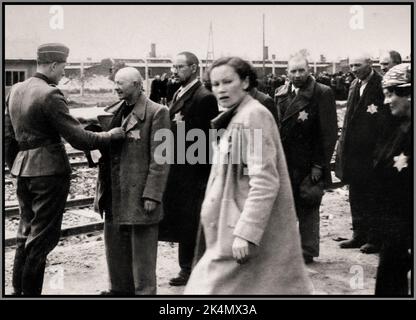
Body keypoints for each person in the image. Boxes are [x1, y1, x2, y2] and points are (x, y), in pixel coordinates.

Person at [4, 43, 125, 296]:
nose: (63, 73)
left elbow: (8, 137)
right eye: (63, 67)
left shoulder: (15, 90)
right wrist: (110, 135)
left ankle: (17, 292)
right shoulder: (51, 94)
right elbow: (79, 140)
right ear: (54, 65)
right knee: (41, 240)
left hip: (22, 171)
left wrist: (16, 166)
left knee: (24, 234)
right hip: (49, 173)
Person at [184, 57, 312, 294]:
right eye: (215, 84)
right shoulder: (239, 115)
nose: (220, 89)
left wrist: (246, 233)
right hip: (230, 229)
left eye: (227, 81)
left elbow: (264, 179)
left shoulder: (252, 116)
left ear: (244, 82)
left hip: (239, 234)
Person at [95, 67, 170, 295]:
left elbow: (162, 158)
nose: (116, 87)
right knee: (116, 250)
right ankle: (119, 291)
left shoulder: (158, 112)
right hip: (114, 192)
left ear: (137, 85)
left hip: (139, 196)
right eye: (115, 83)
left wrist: (152, 194)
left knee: (142, 257)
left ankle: (144, 294)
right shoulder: (116, 111)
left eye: (121, 83)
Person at [160, 52, 218, 286]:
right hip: (179, 168)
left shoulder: (204, 98)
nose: (174, 71)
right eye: (173, 66)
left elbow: (210, 139)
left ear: (194, 68)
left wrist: (204, 176)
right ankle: (187, 267)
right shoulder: (178, 93)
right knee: (184, 220)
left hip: (194, 172)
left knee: (192, 221)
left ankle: (192, 269)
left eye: (180, 67)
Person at [275, 54, 338, 264]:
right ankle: (288, 247)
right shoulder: (281, 93)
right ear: (287, 73)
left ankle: (307, 249)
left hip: (309, 161)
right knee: (286, 204)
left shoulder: (322, 93)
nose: (297, 75)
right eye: (293, 71)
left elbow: (329, 134)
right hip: (286, 160)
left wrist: (319, 164)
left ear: (309, 70)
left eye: (301, 70)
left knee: (308, 203)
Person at [335, 52, 394, 254]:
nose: (353, 69)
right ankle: (358, 234)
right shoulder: (354, 85)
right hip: (354, 153)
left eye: (357, 65)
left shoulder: (380, 84)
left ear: (370, 64)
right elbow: (349, 119)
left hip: (371, 152)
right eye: (351, 66)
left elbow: (385, 120)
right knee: (356, 194)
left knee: (373, 196)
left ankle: (374, 238)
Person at [373, 63, 411, 296]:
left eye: (390, 94)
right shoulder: (397, 127)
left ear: (408, 93)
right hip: (394, 226)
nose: (386, 102)